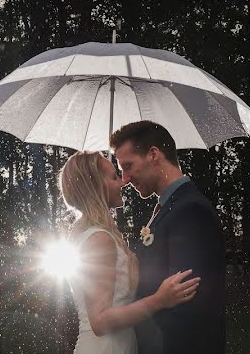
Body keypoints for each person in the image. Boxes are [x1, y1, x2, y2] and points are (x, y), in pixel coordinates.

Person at [59, 151, 200, 354]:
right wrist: (159, 300)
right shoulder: (99, 239)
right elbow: (99, 321)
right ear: (97, 186)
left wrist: (154, 224)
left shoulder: (95, 234)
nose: (123, 182)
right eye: (114, 177)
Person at [111, 121, 226, 354]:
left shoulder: (191, 211)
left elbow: (187, 308)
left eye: (128, 165)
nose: (124, 178)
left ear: (153, 155)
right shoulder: (167, 208)